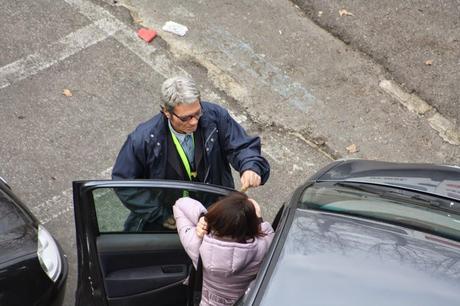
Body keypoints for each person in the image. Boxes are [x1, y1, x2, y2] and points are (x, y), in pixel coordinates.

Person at [112, 76, 270, 231]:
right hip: (170, 216)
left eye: (197, 113)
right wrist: (160, 215)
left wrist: (250, 166)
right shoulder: (143, 139)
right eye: (186, 118)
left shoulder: (215, 116)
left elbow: (241, 146)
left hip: (214, 210)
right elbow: (124, 182)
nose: (194, 122)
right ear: (167, 112)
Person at [173, 192, 274, 305]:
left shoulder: (197, 242)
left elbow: (180, 204)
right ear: (251, 225)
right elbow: (268, 233)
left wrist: (201, 218)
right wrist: (259, 218)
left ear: (216, 218)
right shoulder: (263, 247)